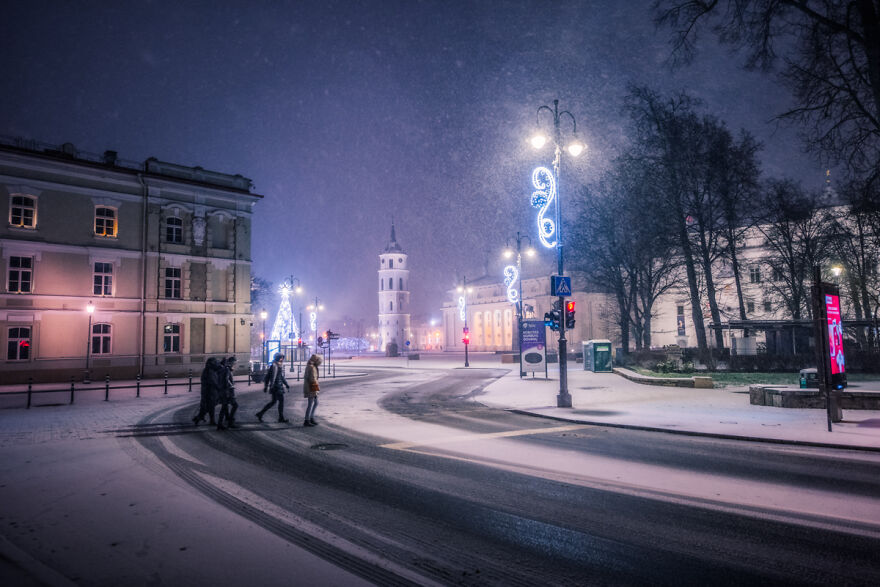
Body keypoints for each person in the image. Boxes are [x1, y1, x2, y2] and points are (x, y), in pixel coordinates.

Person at [257, 353, 290, 423]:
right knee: (280, 401)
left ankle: (260, 413)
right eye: (281, 358)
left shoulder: (278, 365)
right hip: (276, 386)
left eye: (282, 358)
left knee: (273, 402)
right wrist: (266, 386)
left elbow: (281, 376)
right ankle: (281, 418)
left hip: (278, 386)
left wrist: (286, 384)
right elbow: (268, 377)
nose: (282, 359)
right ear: (277, 358)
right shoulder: (274, 366)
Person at [193, 357, 220, 426]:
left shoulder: (211, 370)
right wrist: (218, 387)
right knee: (210, 406)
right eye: (215, 362)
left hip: (210, 391)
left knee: (210, 406)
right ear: (212, 363)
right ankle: (202, 418)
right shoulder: (209, 371)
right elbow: (212, 381)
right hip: (209, 391)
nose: (217, 363)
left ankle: (201, 417)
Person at [216, 356, 239, 430]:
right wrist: (231, 386)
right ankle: (230, 422)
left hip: (224, 391)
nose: (235, 364)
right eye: (235, 362)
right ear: (232, 362)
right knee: (235, 405)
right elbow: (226, 379)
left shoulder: (226, 369)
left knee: (224, 407)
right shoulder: (226, 369)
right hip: (227, 392)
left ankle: (220, 424)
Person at [303, 354, 322, 427]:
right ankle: (307, 420)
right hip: (311, 388)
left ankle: (311, 417)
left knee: (315, 403)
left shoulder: (312, 366)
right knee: (311, 404)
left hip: (312, 387)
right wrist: (316, 390)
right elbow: (312, 379)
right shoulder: (311, 367)